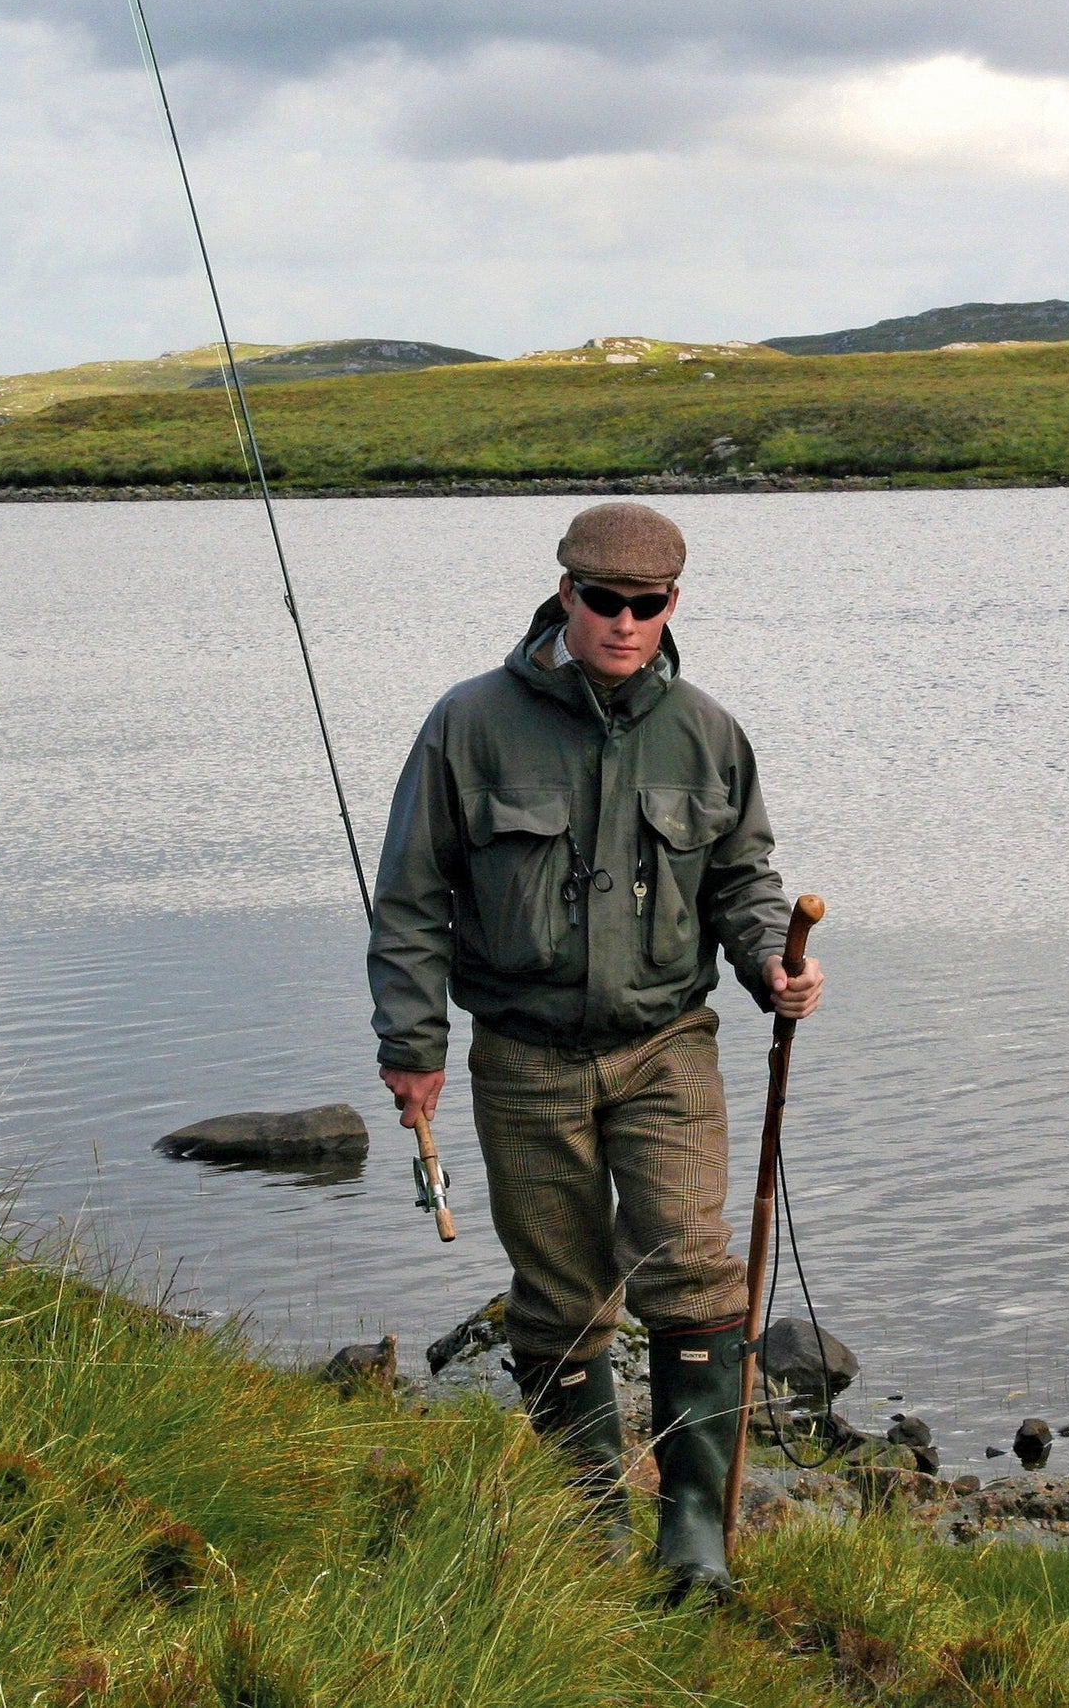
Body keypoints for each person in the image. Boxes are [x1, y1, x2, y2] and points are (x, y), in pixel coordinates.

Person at [367, 501, 822, 1599]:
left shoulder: (709, 733)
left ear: (672, 604)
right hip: (520, 1057)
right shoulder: (466, 725)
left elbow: (744, 882)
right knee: (560, 1294)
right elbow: (412, 897)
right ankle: (590, 1528)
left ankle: (693, 1536)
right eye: (604, 600)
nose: (624, 622)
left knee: (691, 1262)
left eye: (646, 604)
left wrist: (773, 964)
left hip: (668, 1047)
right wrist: (413, 1041)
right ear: (564, 593)